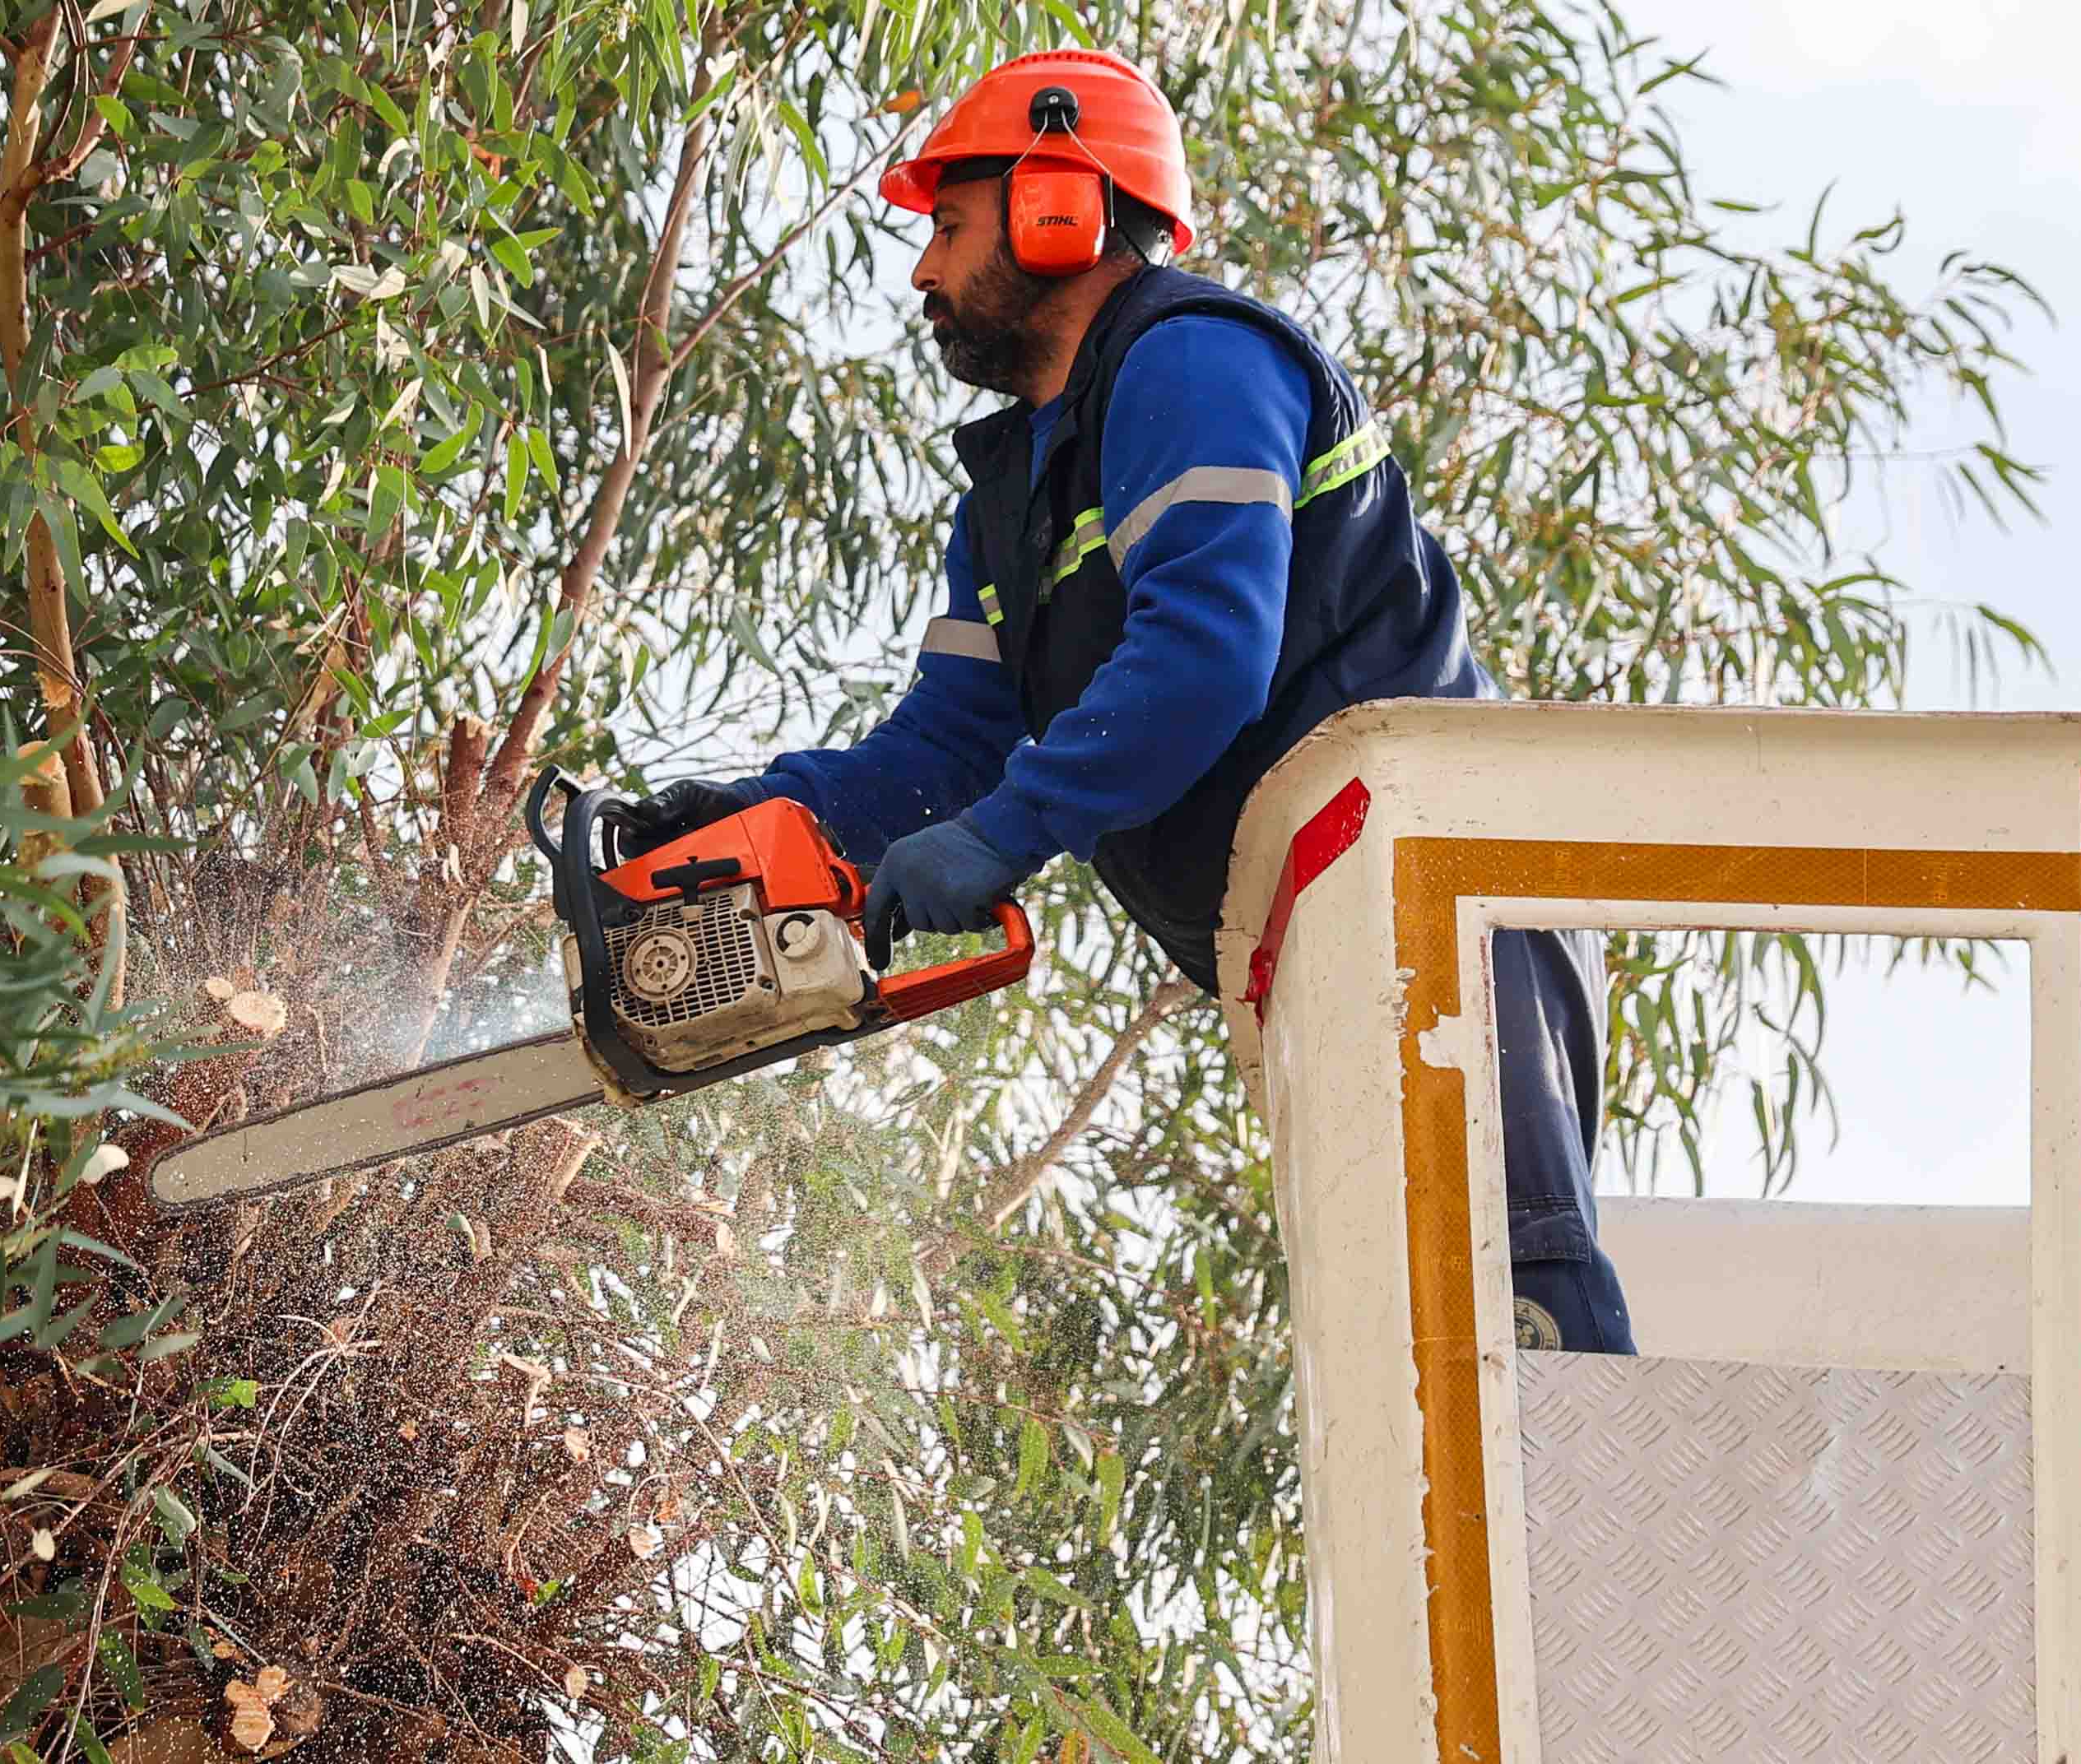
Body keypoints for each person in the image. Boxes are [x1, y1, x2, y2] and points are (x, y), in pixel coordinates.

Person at [623, 49, 1634, 1354]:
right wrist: (766, 821)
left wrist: (1005, 833)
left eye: (947, 223)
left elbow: (1203, 653)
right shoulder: (1010, 498)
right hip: (1306, 937)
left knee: (1509, 1289)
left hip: (1437, 890)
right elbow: (943, 747)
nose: (923, 272)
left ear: (1062, 203)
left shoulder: (1192, 359)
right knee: (1408, 1337)